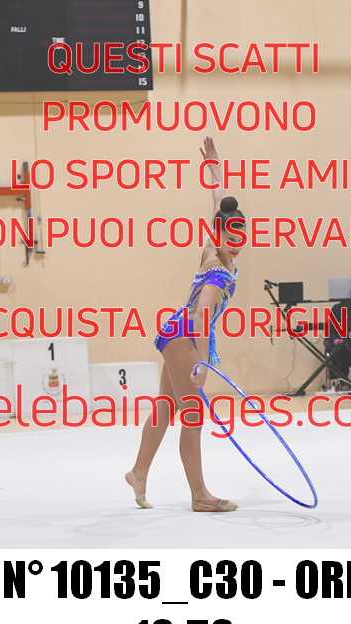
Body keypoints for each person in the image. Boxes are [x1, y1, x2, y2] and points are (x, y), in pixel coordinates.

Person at [125, 137, 245, 512]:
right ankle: (199, 495)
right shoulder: (218, 272)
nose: (236, 243)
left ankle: (138, 472)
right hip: (186, 335)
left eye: (240, 237)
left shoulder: (213, 248)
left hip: (176, 332)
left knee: (166, 405)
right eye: (230, 237)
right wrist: (200, 362)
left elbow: (219, 201)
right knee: (192, 415)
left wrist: (214, 166)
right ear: (218, 234)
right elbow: (201, 315)